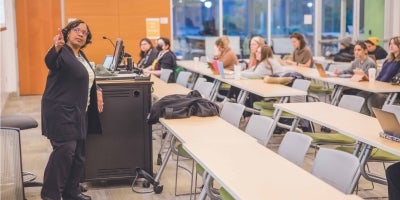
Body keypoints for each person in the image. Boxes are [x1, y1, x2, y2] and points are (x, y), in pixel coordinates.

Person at [41, 19, 103, 200]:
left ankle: (71, 192)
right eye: (77, 30)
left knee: (78, 154)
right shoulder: (62, 52)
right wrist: (56, 47)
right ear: (67, 33)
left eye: (84, 32)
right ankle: (50, 195)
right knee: (65, 151)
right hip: (60, 111)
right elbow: (50, 61)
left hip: (79, 111)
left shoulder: (80, 55)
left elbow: (86, 77)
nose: (80, 34)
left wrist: (97, 90)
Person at [357, 36, 400, 116]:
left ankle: (375, 121)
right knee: (361, 95)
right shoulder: (388, 61)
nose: (391, 46)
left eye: (394, 44)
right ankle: (367, 119)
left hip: (391, 92)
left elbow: (396, 81)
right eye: (390, 44)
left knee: (373, 99)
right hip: (380, 89)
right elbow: (380, 77)